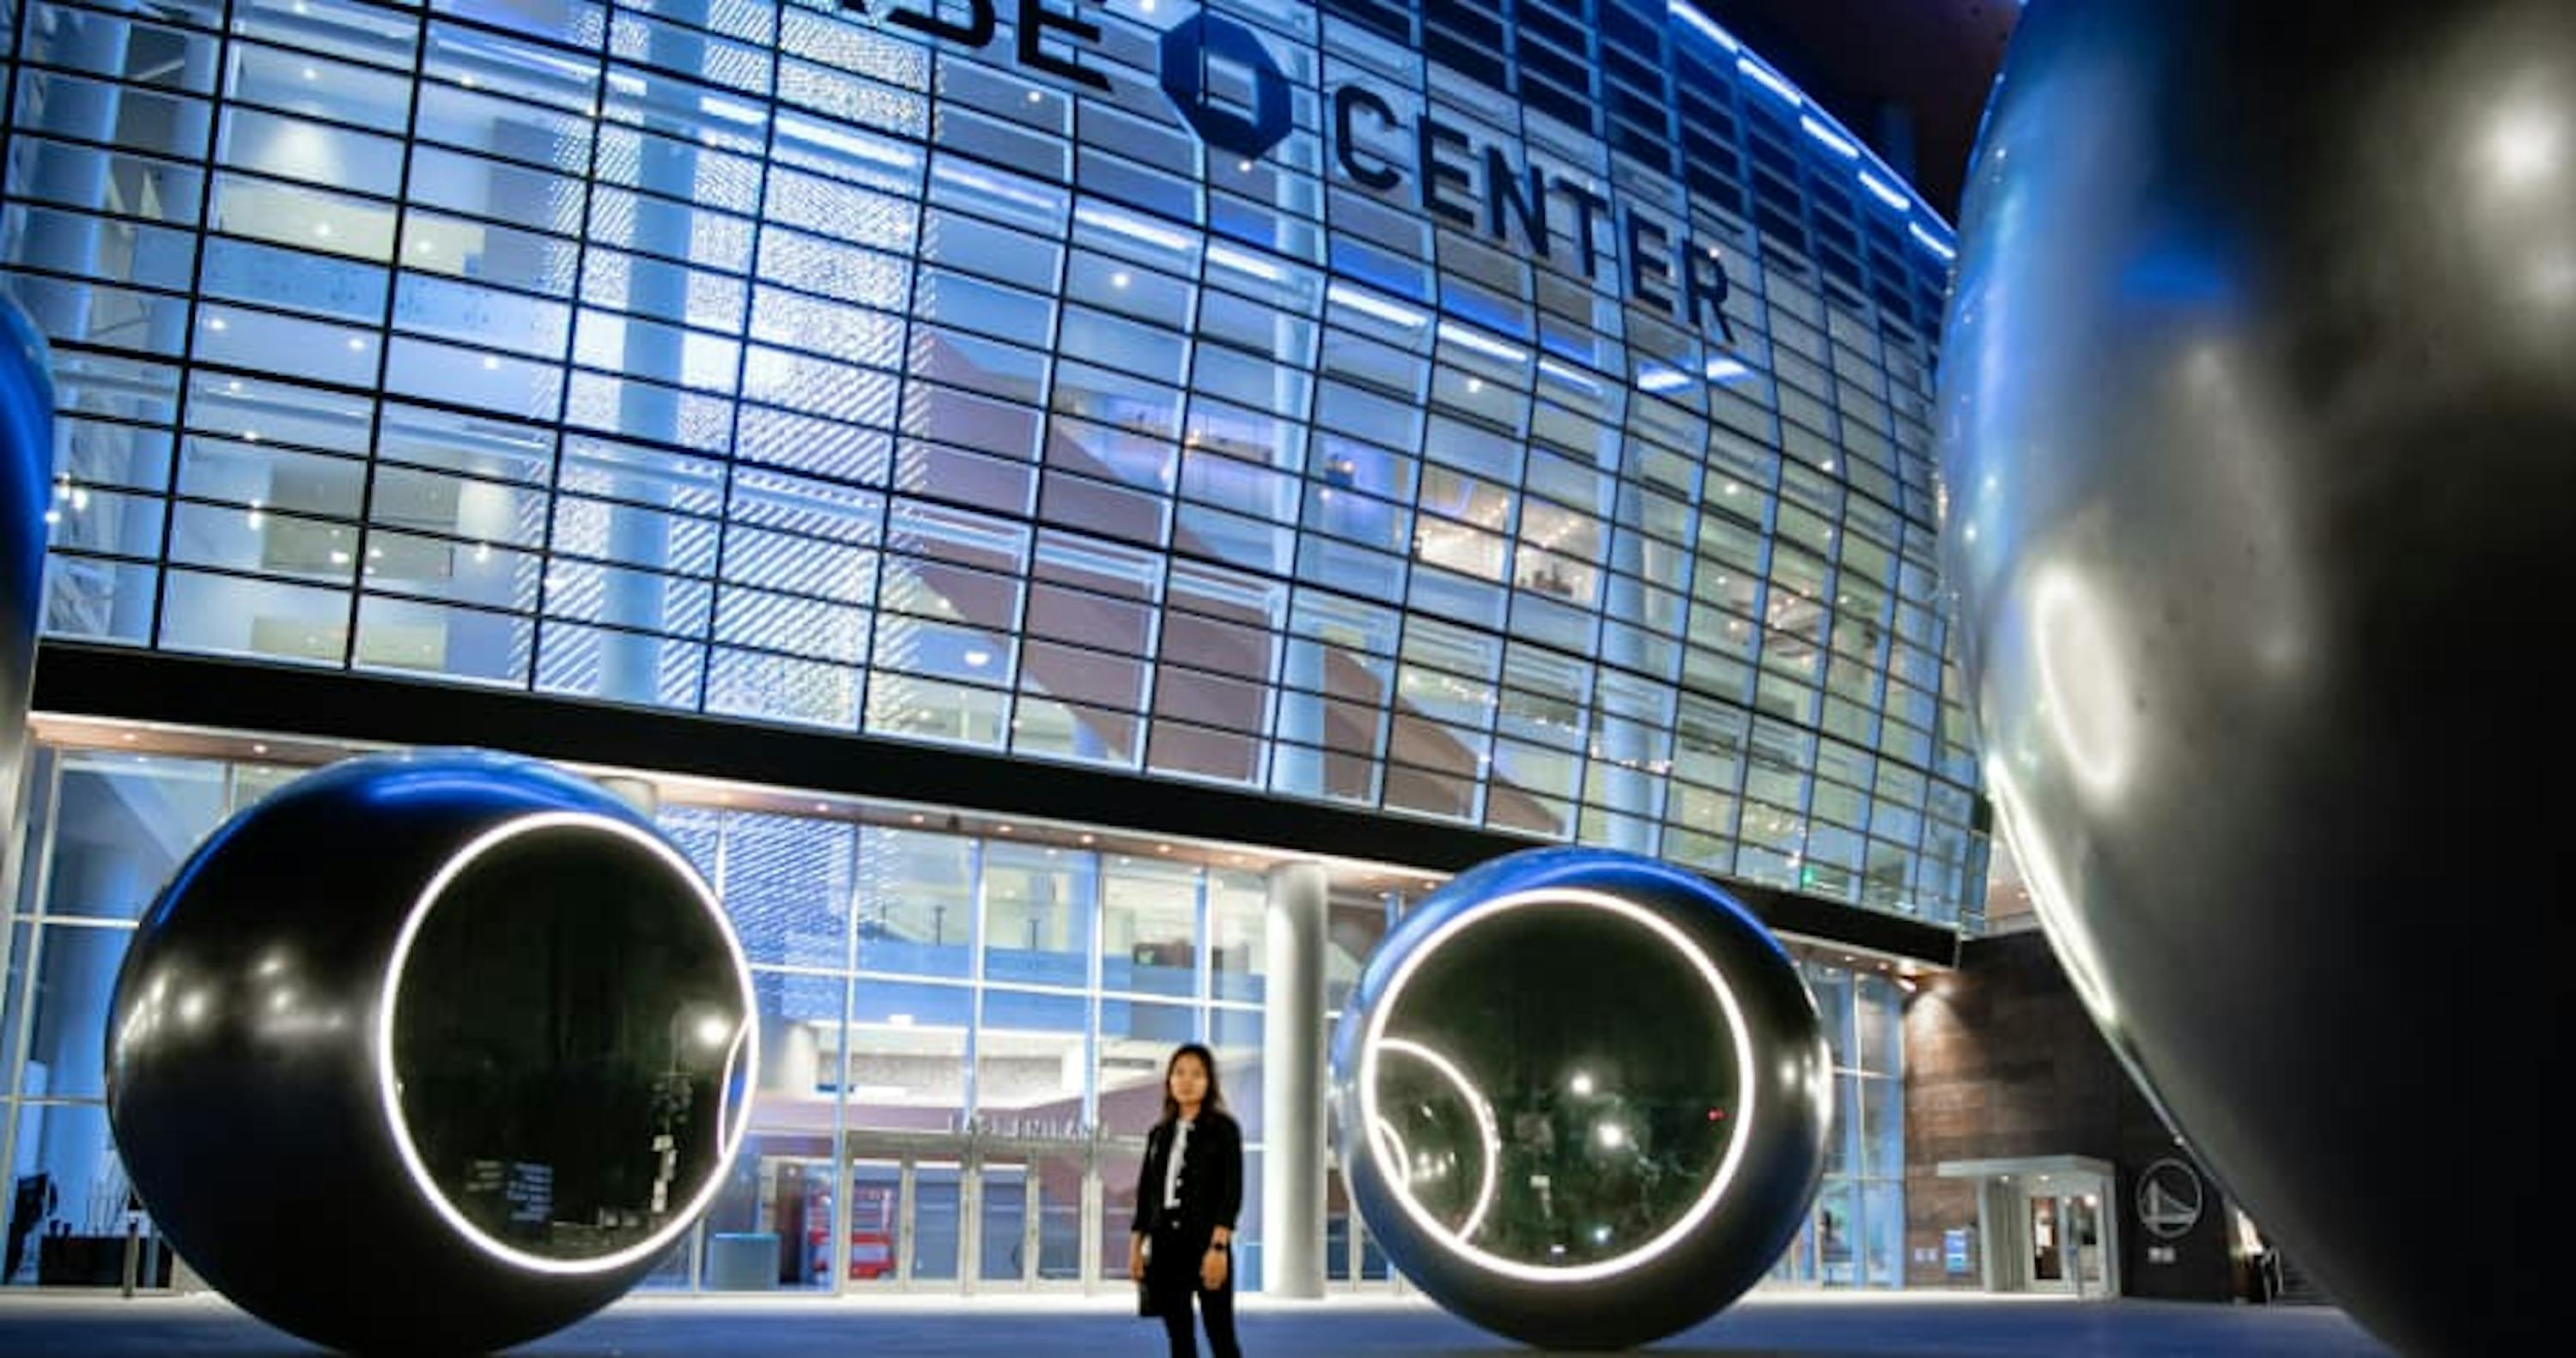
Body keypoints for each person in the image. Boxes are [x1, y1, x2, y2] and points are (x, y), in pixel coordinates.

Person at [1130, 1043, 1243, 1358]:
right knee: (1179, 1341)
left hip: (1207, 1244)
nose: (1186, 1081)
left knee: (1221, 1337)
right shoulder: (1158, 1134)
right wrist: (1136, 1248)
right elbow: (1146, 1194)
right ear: (1168, 1080)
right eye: (1179, 1073)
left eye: (1196, 1074)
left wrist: (1218, 1247)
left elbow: (1231, 1193)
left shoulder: (1224, 1130)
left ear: (1209, 1082)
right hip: (1166, 1249)